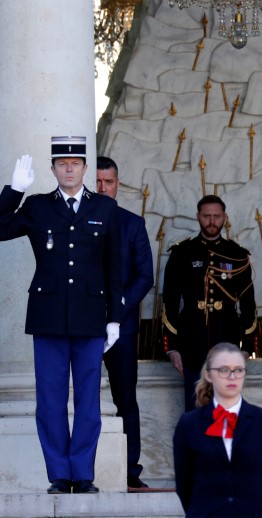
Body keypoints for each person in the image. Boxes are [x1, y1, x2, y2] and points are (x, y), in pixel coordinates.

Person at [0, 137, 124, 494]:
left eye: (75, 163)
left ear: (85, 168)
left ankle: (83, 473)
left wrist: (114, 317)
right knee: (51, 400)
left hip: (90, 316)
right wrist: (14, 191)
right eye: (62, 164)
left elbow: (114, 267)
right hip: (49, 315)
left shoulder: (104, 208)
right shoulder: (38, 206)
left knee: (88, 400)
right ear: (53, 169)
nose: (69, 169)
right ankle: (59, 474)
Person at [162, 195, 258, 411]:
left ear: (225, 217)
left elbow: (248, 304)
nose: (212, 221)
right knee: (194, 406)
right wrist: (172, 347)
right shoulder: (181, 253)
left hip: (228, 341)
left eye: (217, 216)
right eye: (207, 216)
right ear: (198, 217)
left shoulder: (237, 254)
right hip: (191, 341)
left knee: (225, 408)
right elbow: (169, 302)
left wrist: (248, 347)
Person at [173, 342, 262, 516]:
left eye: (239, 370)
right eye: (224, 370)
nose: (232, 376)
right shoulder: (189, 423)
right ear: (209, 375)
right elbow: (184, 482)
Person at [96, 156, 154, 489]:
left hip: (124, 327)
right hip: (83, 324)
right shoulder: (76, 221)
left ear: (118, 184)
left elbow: (144, 275)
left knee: (125, 399)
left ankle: (131, 471)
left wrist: (119, 304)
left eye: (110, 182)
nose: (104, 188)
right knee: (82, 397)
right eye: (99, 182)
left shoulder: (133, 223)